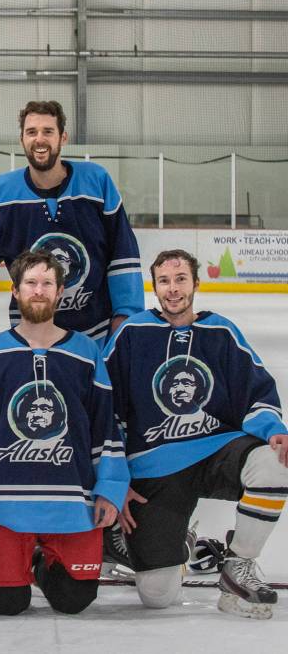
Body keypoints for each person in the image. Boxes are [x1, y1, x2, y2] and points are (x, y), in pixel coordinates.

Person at [104, 249, 288, 619]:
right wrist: (115, 480)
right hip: (153, 470)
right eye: (164, 281)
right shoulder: (132, 333)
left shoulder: (220, 331)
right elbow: (105, 409)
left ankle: (239, 566)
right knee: (157, 596)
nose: (173, 289)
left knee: (273, 464)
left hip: (215, 450)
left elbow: (256, 391)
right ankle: (180, 538)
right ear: (154, 286)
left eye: (180, 279)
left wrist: (275, 431)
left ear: (195, 283)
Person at [0, 250, 129, 616]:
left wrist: (109, 490)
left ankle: (38, 561)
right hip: (5, 503)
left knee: (74, 598)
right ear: (15, 291)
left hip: (72, 500)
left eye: (47, 283)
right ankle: (19, 556)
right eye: (30, 283)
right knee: (5, 602)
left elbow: (104, 428)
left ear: (60, 291)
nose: (39, 290)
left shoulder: (86, 352)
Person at [0, 100, 144, 344]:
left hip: (95, 337)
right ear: (21, 139)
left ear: (63, 137)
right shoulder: (1, 193)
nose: (39, 139)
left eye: (48, 131)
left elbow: (122, 254)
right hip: (30, 336)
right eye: (31, 132)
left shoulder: (96, 181)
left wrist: (126, 314)